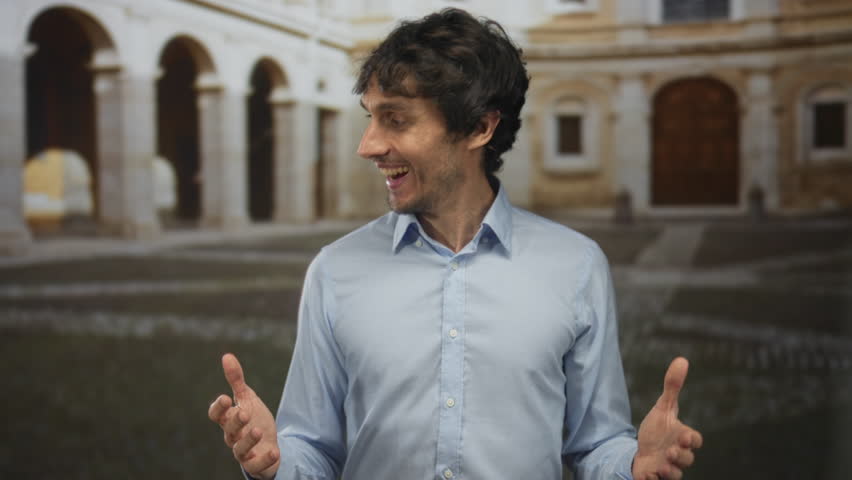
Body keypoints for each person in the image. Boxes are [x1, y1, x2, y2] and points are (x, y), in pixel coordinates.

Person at [208, 8, 702, 480]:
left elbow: (594, 445)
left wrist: (630, 467)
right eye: (370, 117)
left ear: (480, 127)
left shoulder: (576, 266)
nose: (368, 145)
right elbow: (313, 449)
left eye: (396, 119)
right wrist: (276, 463)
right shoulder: (334, 270)